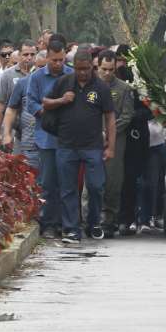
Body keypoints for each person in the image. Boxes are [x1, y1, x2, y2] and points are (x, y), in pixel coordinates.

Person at [45, 49, 115, 244]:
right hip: (66, 145)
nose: (82, 72)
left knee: (96, 187)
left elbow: (110, 117)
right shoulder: (63, 82)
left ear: (92, 67)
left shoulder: (101, 87)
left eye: (86, 69)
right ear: (73, 67)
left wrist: (111, 147)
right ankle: (72, 229)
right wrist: (62, 100)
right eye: (78, 69)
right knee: (68, 189)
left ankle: (93, 223)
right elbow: (46, 103)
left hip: (93, 146)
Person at [23, 37, 74, 237]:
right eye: (54, 60)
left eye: (61, 60)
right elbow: (31, 103)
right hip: (46, 138)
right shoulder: (37, 77)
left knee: (67, 183)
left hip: (69, 138)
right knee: (47, 183)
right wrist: (51, 111)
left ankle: (66, 223)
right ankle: (48, 223)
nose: (58, 64)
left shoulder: (71, 75)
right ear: (47, 57)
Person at [96, 49, 135, 236]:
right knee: (91, 181)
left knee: (112, 181)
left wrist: (108, 132)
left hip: (116, 140)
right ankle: (90, 218)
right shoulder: (89, 86)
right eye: (104, 69)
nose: (107, 73)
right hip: (92, 139)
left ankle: (109, 220)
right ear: (98, 67)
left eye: (111, 69)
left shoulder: (124, 89)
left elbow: (127, 116)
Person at [1, 49, 49, 158]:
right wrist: (7, 134)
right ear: (35, 65)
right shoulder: (24, 82)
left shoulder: (61, 82)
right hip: (29, 141)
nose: (43, 70)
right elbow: (11, 109)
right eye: (40, 67)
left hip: (52, 142)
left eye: (46, 67)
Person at [0, 41, 35, 151]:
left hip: (37, 131)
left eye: (32, 54)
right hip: (15, 130)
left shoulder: (40, 73)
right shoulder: (7, 75)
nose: (29, 58)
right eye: (26, 54)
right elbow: (0, 105)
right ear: (19, 55)